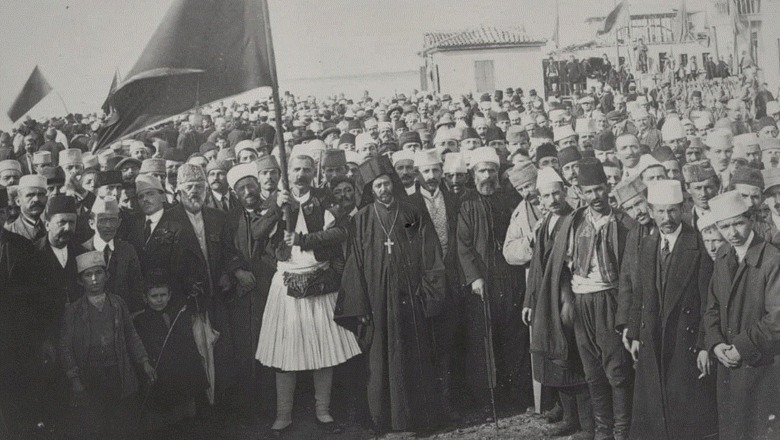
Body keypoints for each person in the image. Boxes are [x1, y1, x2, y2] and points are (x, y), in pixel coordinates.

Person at [336, 155, 445, 433]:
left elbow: (427, 248)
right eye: (378, 186)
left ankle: (416, 419)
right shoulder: (361, 220)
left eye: (386, 184)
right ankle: (382, 420)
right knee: (379, 358)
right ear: (371, 190)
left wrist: (429, 288)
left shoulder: (410, 213)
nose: (384, 190)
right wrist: (359, 305)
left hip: (409, 294)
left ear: (393, 184)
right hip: (376, 300)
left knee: (412, 354)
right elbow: (354, 263)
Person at [255, 155, 361, 434]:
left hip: (320, 279)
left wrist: (306, 240)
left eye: (307, 170)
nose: (301, 175)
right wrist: (277, 210)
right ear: (287, 172)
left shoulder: (324, 199)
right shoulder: (275, 201)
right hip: (286, 282)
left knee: (323, 349)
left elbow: (341, 231)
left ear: (314, 173)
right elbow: (256, 232)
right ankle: (283, 414)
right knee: (284, 349)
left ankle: (322, 410)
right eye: (296, 169)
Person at [533, 158, 636, 440]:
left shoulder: (623, 222)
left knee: (616, 369)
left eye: (600, 189)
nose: (595, 197)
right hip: (582, 302)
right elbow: (560, 268)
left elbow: (630, 275)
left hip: (609, 299)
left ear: (608, 187)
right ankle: (602, 430)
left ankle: (621, 430)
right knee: (592, 370)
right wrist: (567, 301)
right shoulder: (574, 221)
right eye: (589, 191)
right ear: (580, 192)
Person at [627, 180, 718, 439]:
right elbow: (641, 293)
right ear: (651, 211)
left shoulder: (697, 245)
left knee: (683, 413)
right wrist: (634, 332)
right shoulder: (648, 245)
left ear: (682, 209)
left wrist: (703, 344)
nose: (666, 218)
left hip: (683, 341)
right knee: (654, 410)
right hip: (652, 337)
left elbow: (707, 302)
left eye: (672, 211)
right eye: (660, 211)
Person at [457, 147, 531, 417]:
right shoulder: (467, 203)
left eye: (491, 170)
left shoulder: (510, 199)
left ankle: (518, 394)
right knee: (484, 340)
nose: (487, 176)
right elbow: (463, 245)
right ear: (473, 174)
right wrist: (474, 277)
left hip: (510, 278)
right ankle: (489, 400)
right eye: (482, 171)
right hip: (483, 280)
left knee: (514, 336)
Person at [703, 191, 780, 439]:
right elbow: (712, 307)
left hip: (761, 367)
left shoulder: (771, 259)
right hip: (728, 366)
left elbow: (777, 318)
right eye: (725, 226)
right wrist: (715, 344)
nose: (732, 232)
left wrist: (740, 347)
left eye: (738, 223)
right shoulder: (724, 254)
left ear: (751, 220)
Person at [524, 168, 593, 439]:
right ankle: (569, 415)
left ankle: (588, 424)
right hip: (547, 299)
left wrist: (569, 302)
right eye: (547, 195)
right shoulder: (545, 223)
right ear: (540, 199)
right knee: (556, 359)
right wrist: (529, 301)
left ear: (565, 192)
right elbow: (537, 267)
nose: (553, 199)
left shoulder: (575, 220)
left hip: (568, 300)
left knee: (574, 359)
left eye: (556, 193)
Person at [59, 250, 155, 439]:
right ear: (80, 281)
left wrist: (144, 362)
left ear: (107, 276)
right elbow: (66, 347)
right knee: (95, 425)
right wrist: (75, 379)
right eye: (88, 275)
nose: (94, 279)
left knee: (121, 423)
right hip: (90, 376)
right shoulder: (74, 311)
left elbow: (131, 335)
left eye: (99, 273)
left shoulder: (118, 304)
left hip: (117, 372)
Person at [133, 273, 208, 439]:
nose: (159, 300)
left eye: (163, 295)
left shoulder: (178, 315)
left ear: (170, 295)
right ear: (145, 298)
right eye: (154, 296)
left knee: (185, 417)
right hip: (160, 374)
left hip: (181, 375)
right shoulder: (140, 321)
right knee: (163, 420)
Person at [82, 196, 145, 314]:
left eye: (112, 220)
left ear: (119, 223)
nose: (108, 226)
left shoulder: (127, 250)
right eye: (102, 220)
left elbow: (136, 287)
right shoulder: (83, 250)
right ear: (91, 223)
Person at [5, 174, 48, 242]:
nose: (36, 199)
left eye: (41, 194)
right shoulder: (8, 232)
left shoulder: (50, 228)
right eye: (30, 195)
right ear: (18, 201)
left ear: (46, 199)